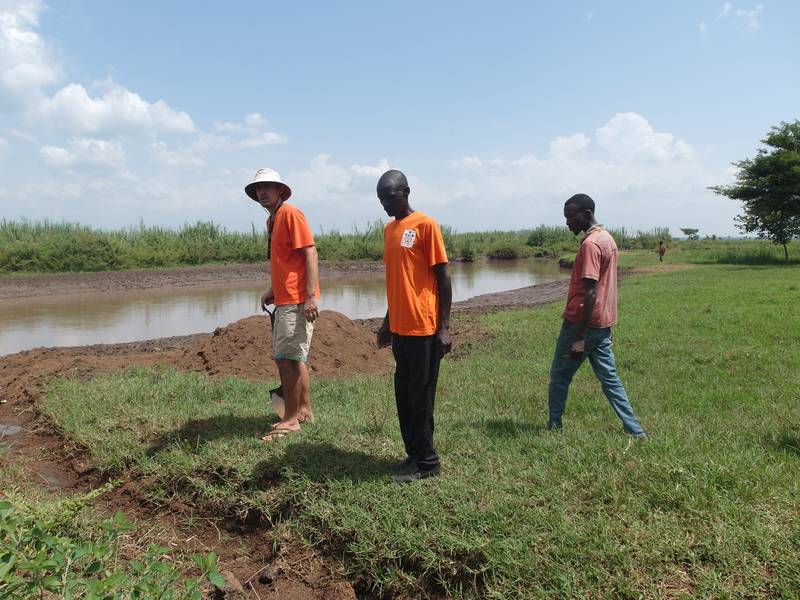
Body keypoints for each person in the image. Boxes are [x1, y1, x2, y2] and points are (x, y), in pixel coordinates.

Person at [547, 193, 646, 438]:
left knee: (559, 376)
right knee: (610, 379)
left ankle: (554, 426)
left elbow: (590, 291)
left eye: (571, 216)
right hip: (602, 321)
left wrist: (579, 336)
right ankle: (635, 431)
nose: (568, 222)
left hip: (582, 323)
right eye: (566, 217)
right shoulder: (606, 238)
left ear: (587, 214)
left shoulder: (591, 244)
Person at [376, 170, 452, 483]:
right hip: (401, 329)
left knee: (421, 397)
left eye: (389, 196)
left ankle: (428, 463)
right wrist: (387, 321)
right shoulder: (389, 230)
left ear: (406, 192)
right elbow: (399, 281)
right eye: (381, 199)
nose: (384, 204)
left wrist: (444, 327)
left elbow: (443, 279)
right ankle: (413, 455)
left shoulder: (426, 225)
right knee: (404, 396)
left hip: (424, 328)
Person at [245, 168, 320, 441]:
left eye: (268, 187)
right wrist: (273, 289)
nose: (262, 192)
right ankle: (304, 411)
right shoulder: (273, 221)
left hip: (297, 299)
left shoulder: (290, 214)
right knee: (293, 357)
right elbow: (286, 262)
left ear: (280, 191)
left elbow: (310, 252)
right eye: (258, 188)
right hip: (285, 295)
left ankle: (290, 420)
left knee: (286, 359)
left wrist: (310, 296)